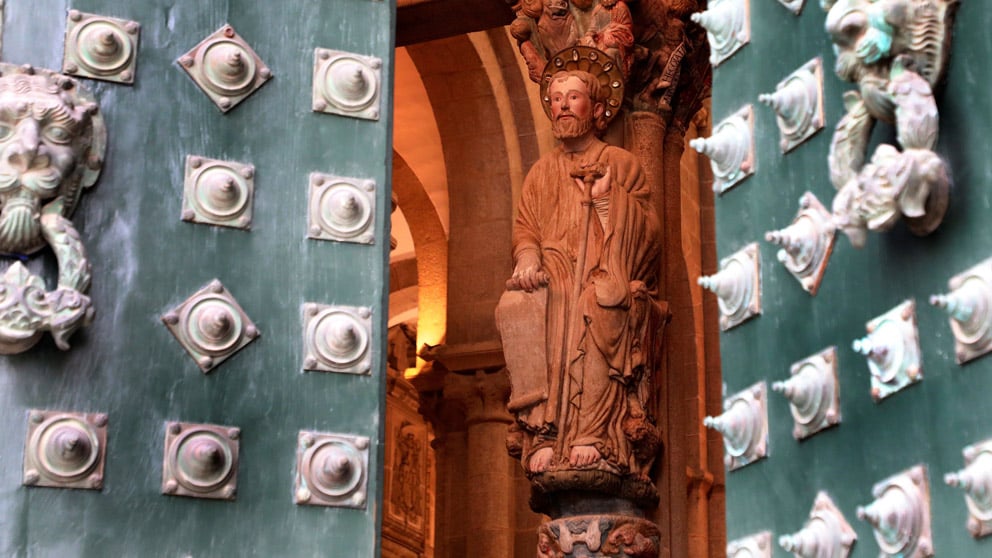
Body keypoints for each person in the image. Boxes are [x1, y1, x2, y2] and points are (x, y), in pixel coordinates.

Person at [497, 66, 663, 480]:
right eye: (555, 100)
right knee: (519, 302)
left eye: (573, 97)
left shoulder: (619, 162)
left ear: (596, 107)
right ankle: (545, 433)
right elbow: (526, 229)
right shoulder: (541, 172)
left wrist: (609, 202)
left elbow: (649, 233)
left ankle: (592, 430)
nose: (562, 107)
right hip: (553, 272)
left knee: (601, 301)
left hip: (605, 267)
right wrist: (528, 259)